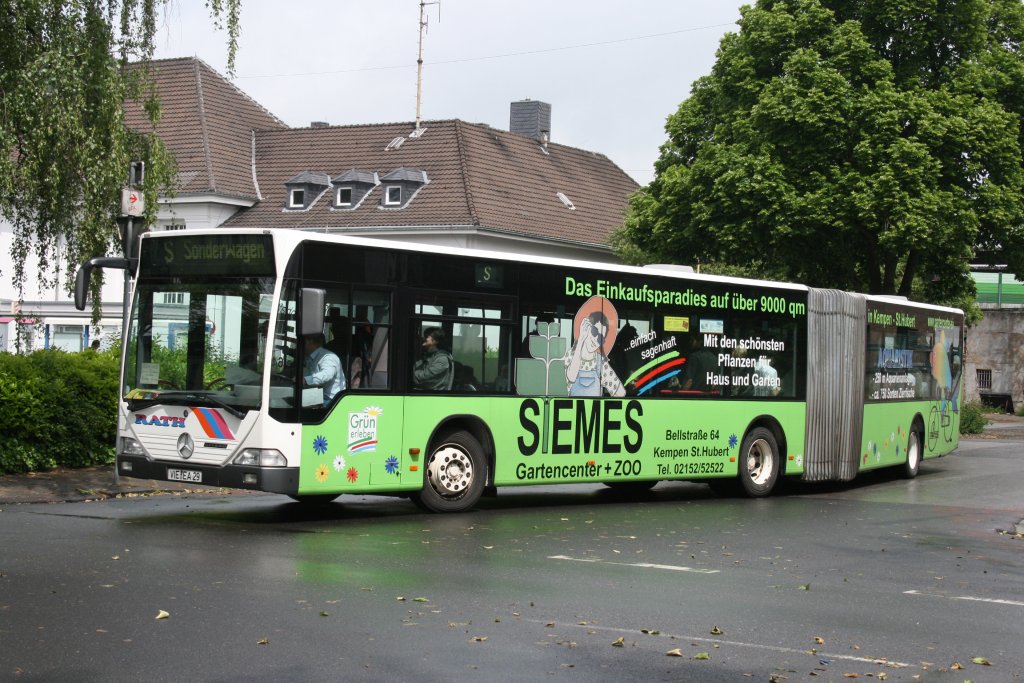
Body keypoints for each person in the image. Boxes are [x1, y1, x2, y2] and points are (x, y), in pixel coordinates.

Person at [303, 333, 345, 406]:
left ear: (310, 341)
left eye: (303, 341)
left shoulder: (328, 357)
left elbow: (326, 375)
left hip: (330, 399)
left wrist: (306, 380)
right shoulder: (310, 357)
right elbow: (308, 372)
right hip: (316, 394)